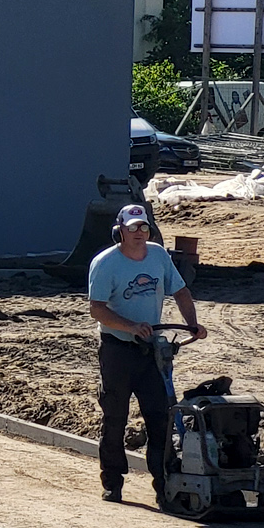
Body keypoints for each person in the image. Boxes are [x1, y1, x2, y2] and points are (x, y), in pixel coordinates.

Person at [87, 203, 206, 507]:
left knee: (161, 419)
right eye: (133, 228)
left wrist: (192, 322)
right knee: (115, 418)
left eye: (144, 227)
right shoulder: (105, 264)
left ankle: (163, 485)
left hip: (151, 351)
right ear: (120, 232)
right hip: (117, 351)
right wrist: (130, 326)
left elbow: (180, 291)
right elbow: (97, 310)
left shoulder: (158, 256)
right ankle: (112, 483)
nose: (139, 233)